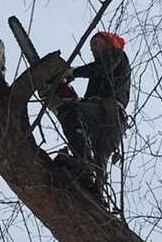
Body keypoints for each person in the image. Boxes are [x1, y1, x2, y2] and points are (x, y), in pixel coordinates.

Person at [55, 32, 131, 194]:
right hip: (109, 122)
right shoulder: (98, 74)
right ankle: (96, 192)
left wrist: (72, 73)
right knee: (98, 165)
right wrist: (68, 94)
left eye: (96, 44)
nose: (93, 49)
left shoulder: (116, 56)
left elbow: (102, 68)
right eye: (91, 47)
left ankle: (83, 165)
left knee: (69, 112)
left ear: (108, 44)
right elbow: (87, 101)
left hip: (109, 112)